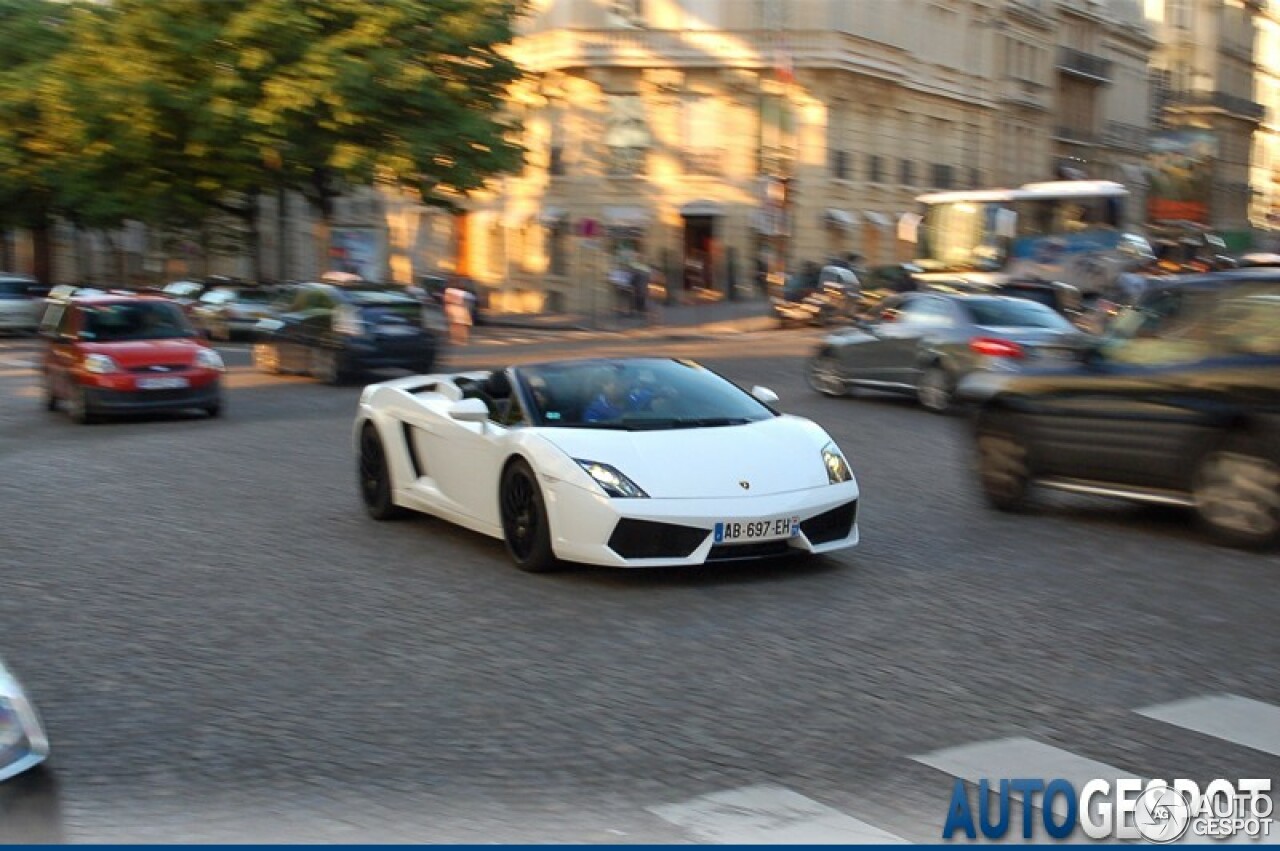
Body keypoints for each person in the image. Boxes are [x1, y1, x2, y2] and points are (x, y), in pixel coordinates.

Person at [582, 373, 655, 423]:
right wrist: (622, 419)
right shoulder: (594, 411)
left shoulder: (636, 397)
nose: (614, 386)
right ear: (602, 386)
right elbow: (594, 434)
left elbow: (659, 396)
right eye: (608, 383)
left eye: (618, 382)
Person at [443, 279, 474, 345]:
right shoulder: (467, 294)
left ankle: (455, 339)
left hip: (453, 309)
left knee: (454, 325)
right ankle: (463, 340)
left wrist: (447, 307)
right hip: (463, 310)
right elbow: (470, 304)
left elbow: (447, 299)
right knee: (462, 326)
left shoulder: (449, 291)